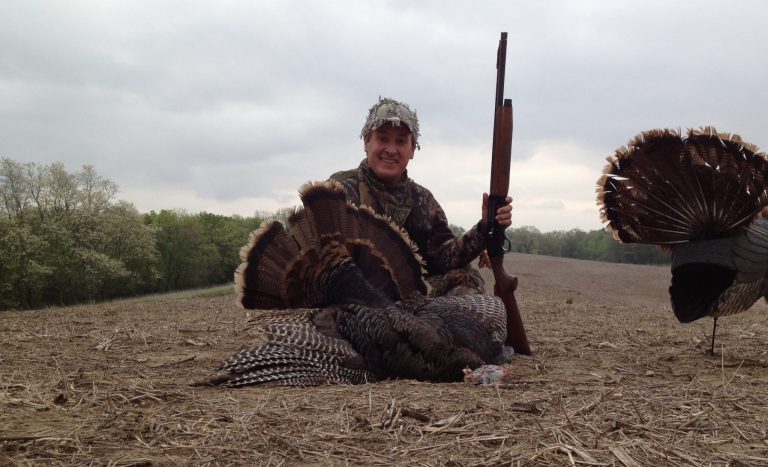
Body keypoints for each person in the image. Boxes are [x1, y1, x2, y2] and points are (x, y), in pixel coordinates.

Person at [329, 97, 513, 297]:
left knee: (467, 279)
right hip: (352, 299)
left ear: (412, 149)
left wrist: (485, 228)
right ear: (366, 141)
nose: (391, 150)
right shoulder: (336, 192)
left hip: (412, 299)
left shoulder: (423, 200)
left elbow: (444, 257)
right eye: (382, 138)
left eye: (401, 141)